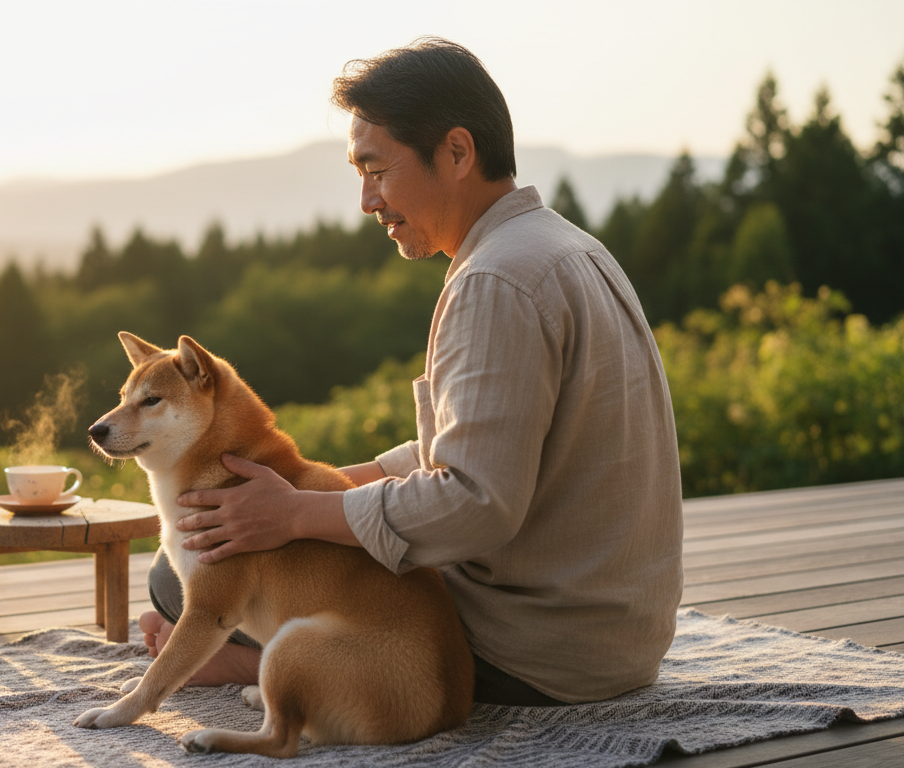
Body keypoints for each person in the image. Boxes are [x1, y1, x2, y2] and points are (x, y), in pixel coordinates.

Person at [139, 37, 684, 706]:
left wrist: (301, 514)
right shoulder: (567, 247)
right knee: (241, 533)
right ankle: (286, 659)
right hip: (617, 640)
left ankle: (271, 668)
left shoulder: (495, 281)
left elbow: (474, 503)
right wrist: (318, 487)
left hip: (532, 650)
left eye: (377, 169)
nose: (367, 200)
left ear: (457, 152)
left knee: (183, 574)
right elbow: (483, 445)